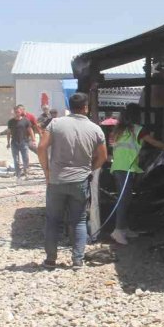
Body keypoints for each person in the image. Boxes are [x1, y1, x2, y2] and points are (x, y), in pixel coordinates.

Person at [37, 92, 107, 270]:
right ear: (86, 107)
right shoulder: (95, 129)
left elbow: (41, 147)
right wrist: (90, 169)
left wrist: (47, 171)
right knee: (79, 220)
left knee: (53, 220)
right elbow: (103, 157)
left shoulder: (56, 123)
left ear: (69, 106)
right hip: (80, 180)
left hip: (56, 180)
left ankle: (51, 260)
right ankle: (77, 260)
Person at [109, 104, 164, 245]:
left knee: (125, 198)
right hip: (126, 168)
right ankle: (117, 230)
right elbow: (154, 143)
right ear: (137, 116)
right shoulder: (137, 130)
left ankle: (124, 227)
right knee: (123, 200)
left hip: (118, 167)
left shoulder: (118, 130)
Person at [7, 105, 36, 179]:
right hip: (14, 143)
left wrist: (33, 140)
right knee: (16, 160)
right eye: (16, 112)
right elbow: (8, 132)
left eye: (18, 112)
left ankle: (26, 173)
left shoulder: (25, 120)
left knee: (25, 158)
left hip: (24, 142)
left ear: (21, 112)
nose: (17, 113)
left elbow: (30, 130)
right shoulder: (11, 121)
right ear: (14, 112)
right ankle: (18, 175)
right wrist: (8, 142)